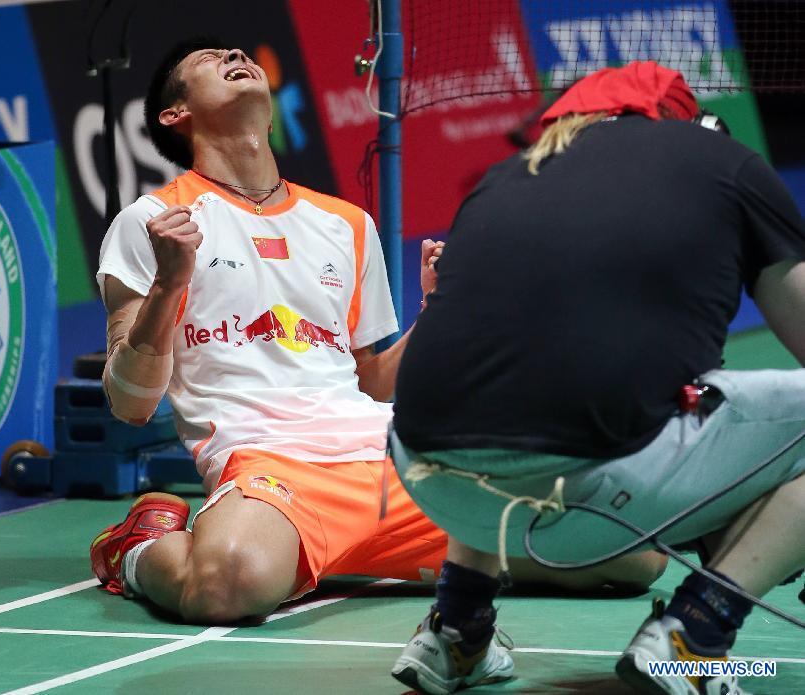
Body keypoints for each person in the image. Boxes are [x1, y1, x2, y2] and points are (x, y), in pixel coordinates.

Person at [89, 39, 667, 645]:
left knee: (635, 551)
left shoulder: (345, 224)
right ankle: (142, 548)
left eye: (237, 51)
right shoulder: (153, 223)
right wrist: (169, 283)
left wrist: (440, 309)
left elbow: (374, 381)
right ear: (174, 115)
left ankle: (327, 556)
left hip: (396, 461)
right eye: (208, 59)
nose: (234, 53)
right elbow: (130, 404)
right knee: (224, 587)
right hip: (274, 467)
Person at [389, 61, 805, 695]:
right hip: (590, 486)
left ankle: (457, 629)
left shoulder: (501, 178)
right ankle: (695, 637)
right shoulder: (723, 161)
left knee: (506, 380)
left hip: (428, 477)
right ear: (686, 120)